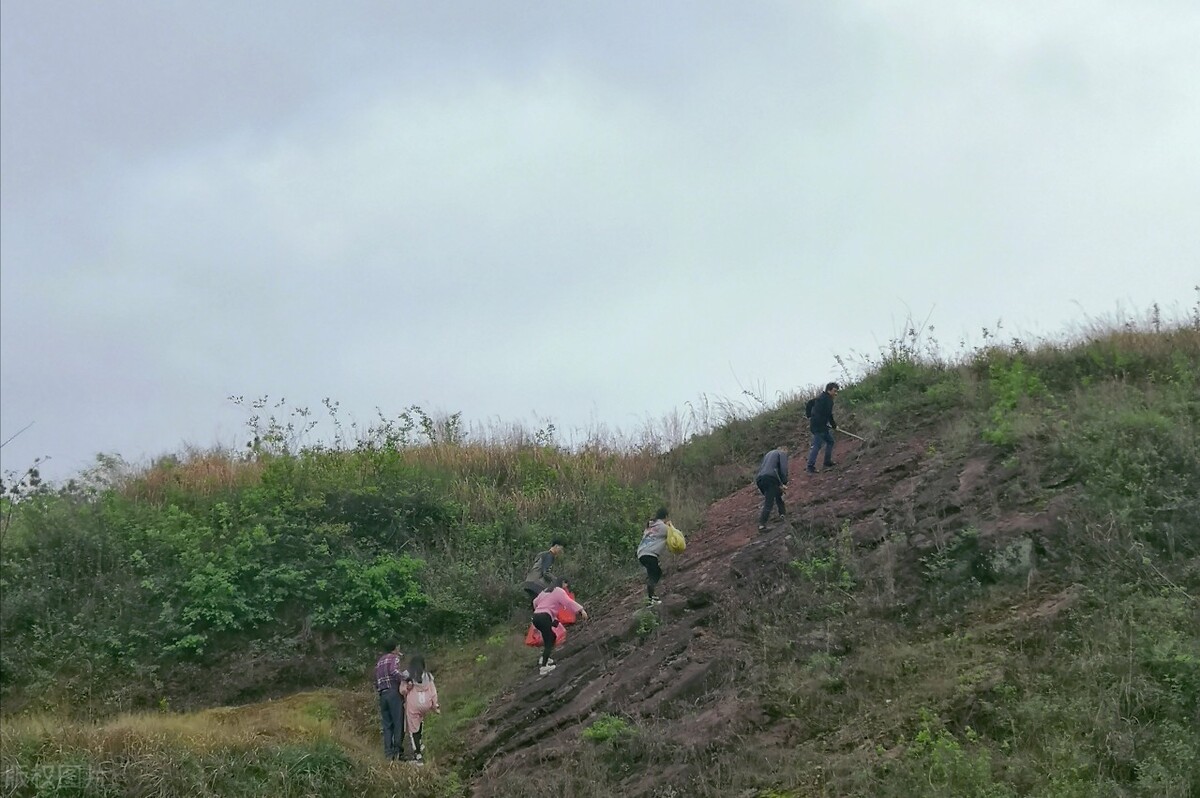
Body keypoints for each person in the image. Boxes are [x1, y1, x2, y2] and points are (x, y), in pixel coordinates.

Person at [531, 578, 587, 675]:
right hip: (544, 617)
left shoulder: (545, 591)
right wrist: (581, 610)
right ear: (563, 583)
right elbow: (568, 602)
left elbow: (535, 602)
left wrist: (540, 610)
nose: (566, 587)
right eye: (566, 584)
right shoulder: (558, 591)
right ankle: (544, 667)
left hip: (536, 617)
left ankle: (544, 658)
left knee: (551, 637)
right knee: (549, 640)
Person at [402, 654, 440, 766]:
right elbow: (433, 692)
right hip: (426, 704)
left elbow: (402, 691)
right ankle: (420, 742)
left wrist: (407, 687)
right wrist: (434, 706)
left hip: (413, 704)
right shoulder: (428, 676)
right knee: (420, 721)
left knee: (413, 728)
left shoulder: (407, 675)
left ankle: (417, 752)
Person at [374, 640, 408, 761]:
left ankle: (388, 754)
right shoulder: (394, 658)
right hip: (393, 693)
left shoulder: (379, 662)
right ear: (395, 648)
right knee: (398, 722)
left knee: (387, 725)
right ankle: (398, 751)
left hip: (383, 694)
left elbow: (376, 680)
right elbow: (394, 671)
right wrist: (405, 678)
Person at [636, 507, 670, 605]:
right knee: (656, 573)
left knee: (653, 573)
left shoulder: (651, 525)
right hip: (650, 554)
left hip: (641, 553)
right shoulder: (662, 527)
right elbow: (673, 534)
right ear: (666, 516)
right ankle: (652, 598)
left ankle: (651, 598)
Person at [806, 382, 840, 473]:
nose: (836, 393)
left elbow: (810, 403)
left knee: (830, 441)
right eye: (835, 391)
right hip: (819, 426)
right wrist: (834, 425)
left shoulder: (821, 397)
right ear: (829, 390)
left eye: (837, 391)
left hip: (820, 425)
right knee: (817, 445)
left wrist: (809, 415)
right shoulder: (828, 400)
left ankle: (827, 462)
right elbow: (829, 415)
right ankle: (810, 467)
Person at [755, 449, 789, 532]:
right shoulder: (782, 454)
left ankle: (782, 514)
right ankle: (762, 525)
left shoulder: (768, 454)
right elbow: (783, 468)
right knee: (769, 502)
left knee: (777, 494)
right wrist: (784, 482)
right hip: (771, 478)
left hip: (760, 479)